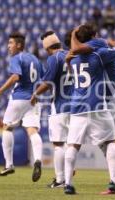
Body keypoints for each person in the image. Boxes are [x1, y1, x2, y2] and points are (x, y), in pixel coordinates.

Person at [67, 23, 115, 190]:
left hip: (83, 105)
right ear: (93, 38)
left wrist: (73, 38)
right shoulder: (99, 54)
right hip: (100, 102)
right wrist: (113, 44)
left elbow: (74, 62)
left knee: (74, 145)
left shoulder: (72, 58)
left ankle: (68, 183)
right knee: (111, 140)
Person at [0, 32, 43, 182]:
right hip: (34, 99)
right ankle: (38, 160)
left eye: (11, 43)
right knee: (32, 131)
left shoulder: (16, 58)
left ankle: (9, 164)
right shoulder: (35, 59)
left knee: (7, 127)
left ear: (19, 45)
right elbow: (44, 80)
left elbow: (15, 77)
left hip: (19, 98)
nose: (8, 46)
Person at [30, 31, 73, 188]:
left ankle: (60, 179)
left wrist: (35, 94)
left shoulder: (53, 58)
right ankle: (68, 172)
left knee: (58, 144)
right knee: (72, 143)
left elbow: (47, 83)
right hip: (77, 106)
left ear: (47, 48)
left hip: (61, 105)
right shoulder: (71, 54)